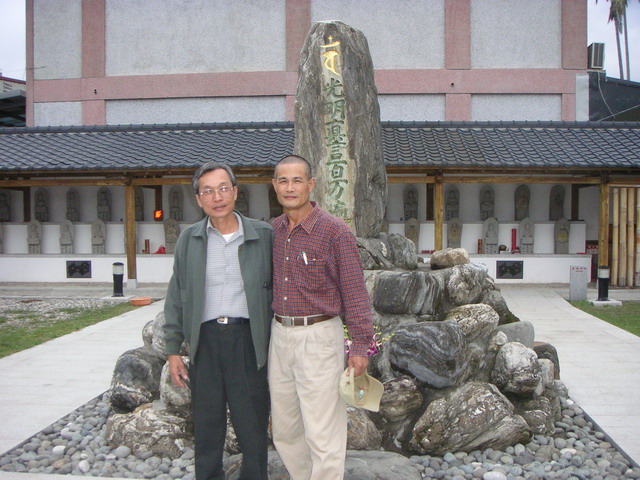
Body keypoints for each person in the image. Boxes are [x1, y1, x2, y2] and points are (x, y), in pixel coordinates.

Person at [163, 161, 273, 480]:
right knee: (207, 423)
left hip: (248, 340)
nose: (217, 197)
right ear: (198, 199)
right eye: (208, 191)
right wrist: (173, 350)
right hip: (206, 340)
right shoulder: (189, 239)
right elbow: (176, 295)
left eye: (224, 188)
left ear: (235, 192)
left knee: (252, 421)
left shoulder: (263, 235)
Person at [269, 154, 374, 480]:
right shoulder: (274, 230)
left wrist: (360, 345)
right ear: (274, 186)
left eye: (297, 180)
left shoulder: (335, 232)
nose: (290, 187)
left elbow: (354, 292)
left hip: (319, 337)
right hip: (280, 335)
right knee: (285, 429)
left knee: (322, 431)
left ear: (311, 184)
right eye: (283, 181)